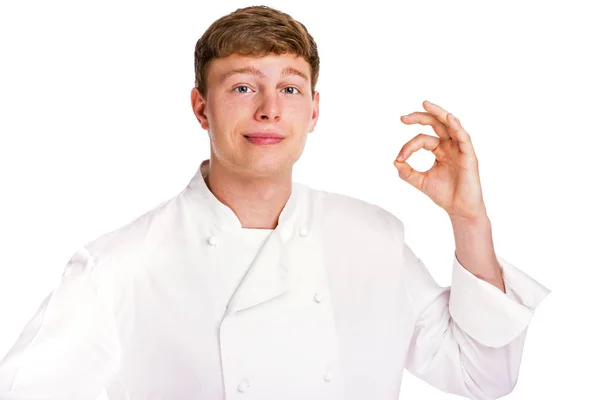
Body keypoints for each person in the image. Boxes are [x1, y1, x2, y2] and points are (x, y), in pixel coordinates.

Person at [0, 5, 549, 400]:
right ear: (200, 107)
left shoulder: (372, 238)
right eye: (242, 87)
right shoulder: (120, 266)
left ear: (313, 111)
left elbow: (483, 378)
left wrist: (468, 218)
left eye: (290, 88)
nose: (268, 109)